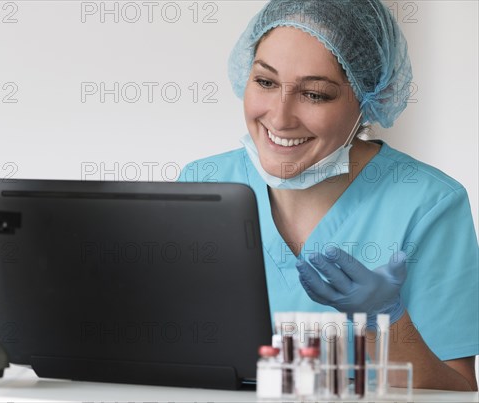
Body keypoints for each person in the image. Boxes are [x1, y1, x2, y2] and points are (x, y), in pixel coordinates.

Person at [179, 0, 478, 391]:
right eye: (266, 82)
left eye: (316, 94)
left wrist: (383, 322)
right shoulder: (202, 182)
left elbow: (456, 392)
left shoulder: (428, 203)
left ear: (369, 99)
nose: (280, 117)